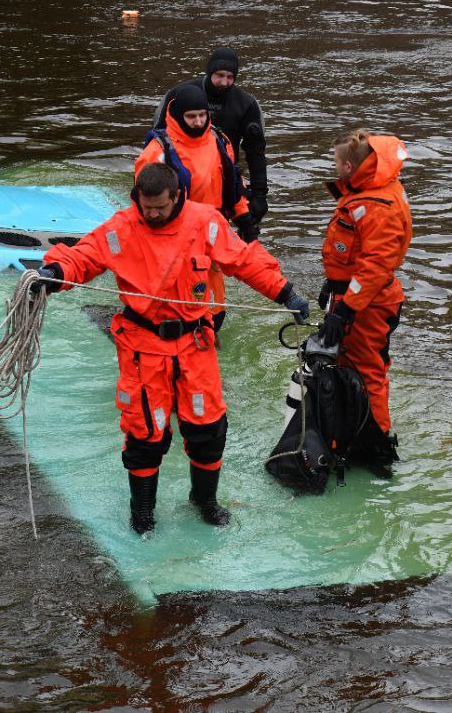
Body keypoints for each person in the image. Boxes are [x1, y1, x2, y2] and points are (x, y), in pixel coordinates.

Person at [33, 163, 311, 535]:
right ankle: (143, 512)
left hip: (194, 346)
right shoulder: (121, 228)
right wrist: (54, 274)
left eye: (159, 208)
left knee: (209, 429)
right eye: (146, 207)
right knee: (144, 434)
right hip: (143, 349)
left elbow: (245, 261)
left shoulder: (206, 224)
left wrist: (285, 292)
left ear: (177, 196)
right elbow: (82, 257)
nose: (152, 214)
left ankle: (205, 501)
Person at [317, 128, 412, 438]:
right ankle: (353, 431)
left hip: (368, 304)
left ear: (347, 167)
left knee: (368, 372)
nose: (333, 165)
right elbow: (356, 255)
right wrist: (333, 286)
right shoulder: (370, 190)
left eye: (335, 160)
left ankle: (377, 441)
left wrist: (345, 309)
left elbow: (375, 267)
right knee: (351, 365)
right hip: (357, 298)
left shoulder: (375, 205)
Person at [138, 83, 256, 332]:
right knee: (178, 305)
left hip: (213, 235)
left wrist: (245, 218)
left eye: (202, 115)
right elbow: (144, 205)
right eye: (191, 117)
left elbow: (233, 184)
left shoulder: (219, 141)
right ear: (178, 116)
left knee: (214, 310)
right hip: (173, 239)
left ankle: (209, 339)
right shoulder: (158, 152)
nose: (198, 121)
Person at [153, 48, 270, 228]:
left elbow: (256, 152)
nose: (224, 82)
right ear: (209, 72)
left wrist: (260, 195)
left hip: (223, 178)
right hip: (181, 176)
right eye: (219, 75)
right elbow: (158, 139)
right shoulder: (180, 95)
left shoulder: (246, 104)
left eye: (230, 77)